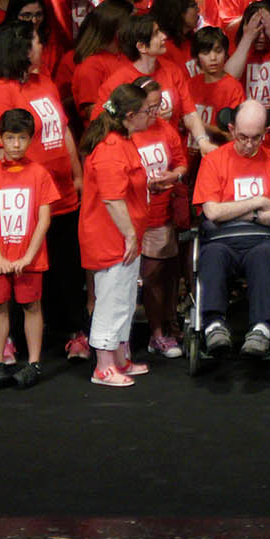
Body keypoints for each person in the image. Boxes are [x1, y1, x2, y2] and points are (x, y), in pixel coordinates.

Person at [195, 103, 270, 357]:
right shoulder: (213, 161)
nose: (249, 144)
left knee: (264, 256)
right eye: (242, 137)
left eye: (256, 137)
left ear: (266, 132)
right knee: (213, 255)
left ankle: (261, 328)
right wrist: (258, 203)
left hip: (264, 240)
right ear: (231, 129)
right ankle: (213, 325)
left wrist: (239, 213)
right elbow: (212, 212)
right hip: (221, 240)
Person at [0, 110, 57, 384]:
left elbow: (44, 219)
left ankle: (34, 362)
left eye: (22, 138)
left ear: (30, 139)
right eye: (10, 138)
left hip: (29, 257)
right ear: (0, 138)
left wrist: (29, 255)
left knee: (31, 305)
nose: (16, 144)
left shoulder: (39, 174)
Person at [79, 83, 155, 386]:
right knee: (111, 299)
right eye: (147, 110)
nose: (152, 115)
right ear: (131, 115)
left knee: (125, 298)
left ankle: (120, 358)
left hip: (123, 237)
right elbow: (112, 199)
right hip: (111, 238)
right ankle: (104, 365)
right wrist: (130, 235)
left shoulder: (123, 141)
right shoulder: (110, 149)